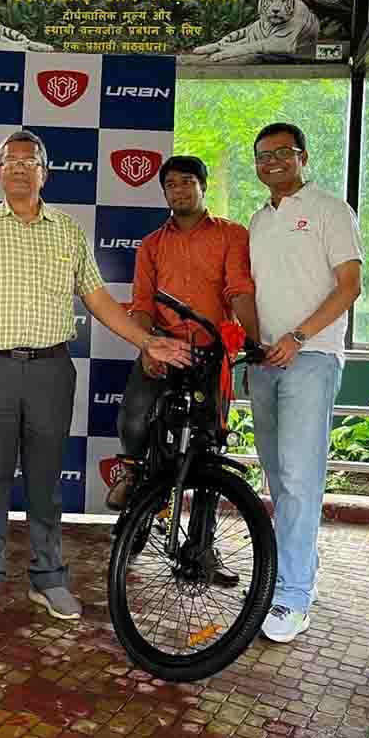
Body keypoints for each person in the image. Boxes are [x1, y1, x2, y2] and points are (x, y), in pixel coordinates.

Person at [0, 130, 191, 625]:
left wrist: (146, 341)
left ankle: (50, 578)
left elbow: (99, 301)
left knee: (45, 481)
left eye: (30, 161)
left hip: (51, 370)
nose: (19, 168)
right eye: (10, 161)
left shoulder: (68, 231)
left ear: (46, 172)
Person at [248, 122, 362, 643]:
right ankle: (300, 570)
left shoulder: (331, 210)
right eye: (263, 155)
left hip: (311, 356)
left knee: (298, 478)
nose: (272, 161)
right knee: (278, 477)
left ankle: (292, 596)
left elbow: (350, 286)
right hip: (265, 362)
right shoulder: (258, 220)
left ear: (303, 157)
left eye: (283, 152)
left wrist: (299, 336)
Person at [107, 155, 259, 514]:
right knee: (134, 416)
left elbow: (239, 291)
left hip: (212, 352)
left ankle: (203, 536)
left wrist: (253, 342)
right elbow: (142, 304)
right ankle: (131, 475)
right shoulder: (151, 244)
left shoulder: (232, 235)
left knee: (209, 445)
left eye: (187, 182)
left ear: (203, 186)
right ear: (164, 193)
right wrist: (147, 346)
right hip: (164, 344)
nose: (179, 191)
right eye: (171, 185)